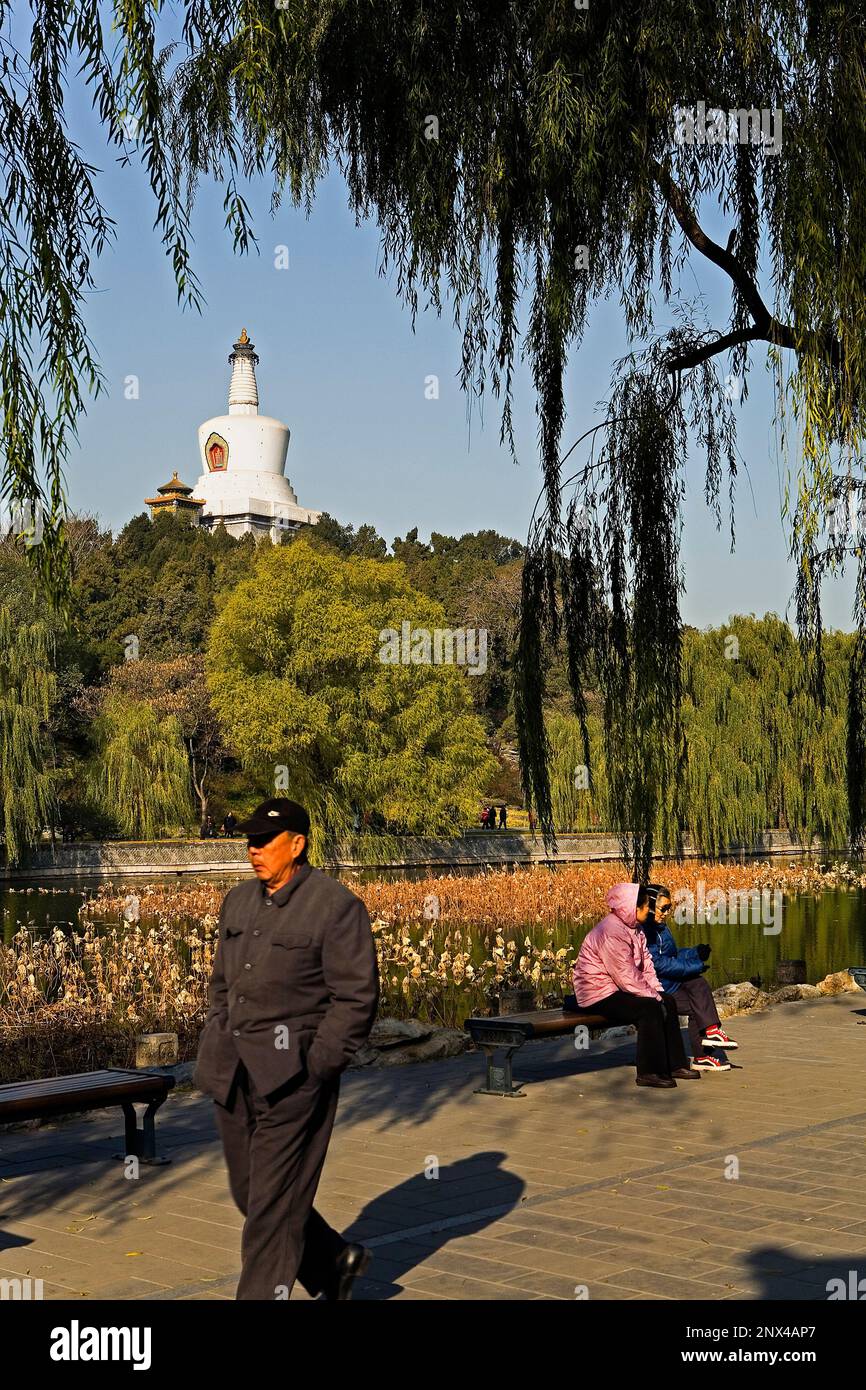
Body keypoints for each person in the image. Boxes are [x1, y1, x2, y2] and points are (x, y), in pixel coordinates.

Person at [194, 798, 379, 1300]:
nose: (253, 851)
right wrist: (216, 1027)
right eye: (249, 842)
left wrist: (317, 1066)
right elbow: (220, 983)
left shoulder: (335, 906)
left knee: (272, 1211)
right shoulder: (237, 901)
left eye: (263, 842)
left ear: (297, 845)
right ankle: (332, 1262)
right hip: (231, 1071)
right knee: (249, 1192)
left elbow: (356, 999)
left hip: (293, 1080)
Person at [573, 881, 699, 1088]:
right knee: (649, 1008)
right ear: (633, 908)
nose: (648, 910)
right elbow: (626, 975)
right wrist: (652, 997)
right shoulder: (611, 931)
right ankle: (649, 1071)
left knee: (668, 1001)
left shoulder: (635, 928)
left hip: (617, 988)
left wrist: (657, 991)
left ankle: (675, 1064)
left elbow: (647, 965)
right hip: (596, 992)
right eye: (645, 906)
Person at [642, 883, 738, 1071]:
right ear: (651, 906)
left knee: (698, 983)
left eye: (669, 908)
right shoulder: (646, 932)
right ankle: (703, 1054)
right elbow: (658, 964)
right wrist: (694, 966)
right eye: (663, 908)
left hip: (670, 983)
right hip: (656, 988)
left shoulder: (661, 928)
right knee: (697, 1001)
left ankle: (711, 1034)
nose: (667, 912)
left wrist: (695, 954)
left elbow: (673, 956)